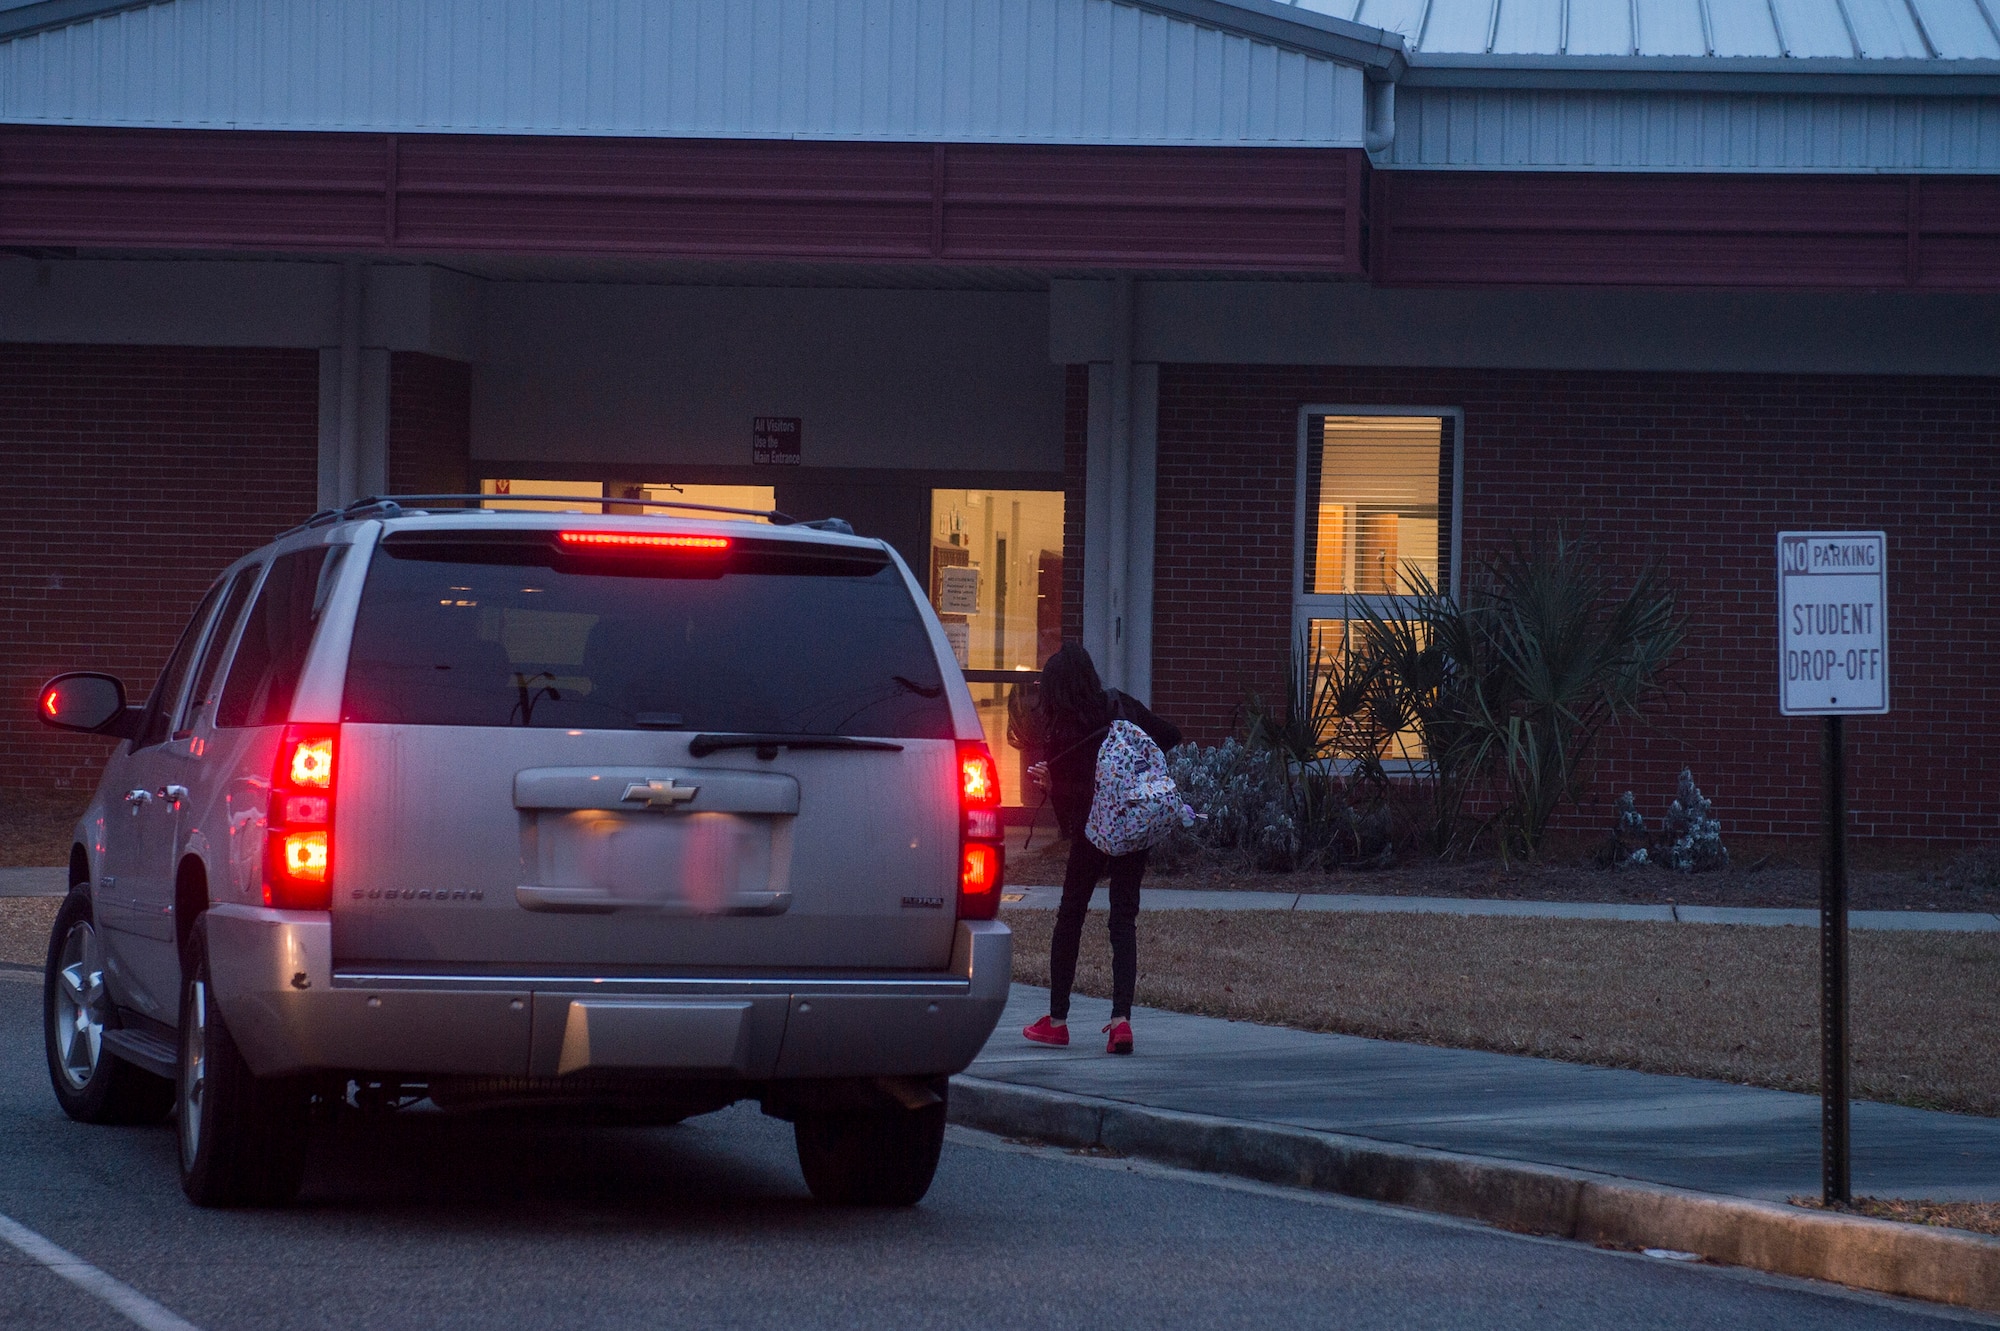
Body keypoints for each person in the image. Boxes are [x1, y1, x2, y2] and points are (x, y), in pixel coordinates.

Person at [1021, 643, 1181, 1055]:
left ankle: (1057, 1021)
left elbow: (1066, 815)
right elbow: (1171, 736)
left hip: (1093, 834)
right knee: (1122, 919)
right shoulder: (1119, 705)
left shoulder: (1062, 732)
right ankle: (1121, 1022)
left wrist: (1053, 785)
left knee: (1070, 916)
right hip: (1132, 826)